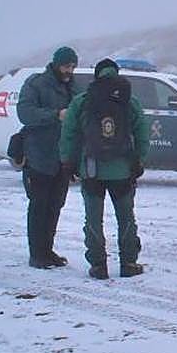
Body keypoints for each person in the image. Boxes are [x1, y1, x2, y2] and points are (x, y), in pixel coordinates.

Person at [60, 58, 150, 279]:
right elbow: (142, 133)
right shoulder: (130, 102)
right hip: (122, 168)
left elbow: (69, 134)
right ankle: (129, 262)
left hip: (92, 168)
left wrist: (68, 162)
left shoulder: (82, 101)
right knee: (126, 216)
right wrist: (139, 160)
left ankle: (98, 265)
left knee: (93, 217)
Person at [16, 46, 79, 269]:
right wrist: (55, 115)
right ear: (56, 64)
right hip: (39, 155)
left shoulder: (72, 86)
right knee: (39, 206)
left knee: (55, 206)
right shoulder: (37, 84)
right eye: (66, 66)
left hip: (62, 158)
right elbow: (25, 113)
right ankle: (37, 254)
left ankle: (47, 250)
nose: (69, 70)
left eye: (72, 66)